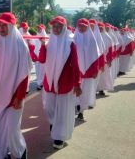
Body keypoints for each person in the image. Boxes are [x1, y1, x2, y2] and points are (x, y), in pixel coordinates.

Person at [0, 12, 31, 159]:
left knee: (11, 130)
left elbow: (24, 73)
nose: (1, 28)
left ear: (12, 26)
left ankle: (20, 152)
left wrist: (19, 96)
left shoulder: (20, 45)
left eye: (4, 25)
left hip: (14, 96)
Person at [31, 16, 81, 149]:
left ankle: (60, 137)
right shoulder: (49, 43)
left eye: (59, 26)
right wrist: (42, 47)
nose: (56, 29)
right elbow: (42, 60)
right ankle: (54, 124)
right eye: (54, 26)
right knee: (49, 108)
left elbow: (75, 65)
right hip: (50, 82)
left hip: (65, 83)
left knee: (63, 111)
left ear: (64, 28)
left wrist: (77, 83)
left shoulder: (71, 43)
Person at [73, 19, 101, 120]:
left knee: (85, 91)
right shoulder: (74, 38)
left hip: (89, 71)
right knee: (75, 90)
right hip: (77, 71)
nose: (82, 28)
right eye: (80, 26)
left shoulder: (92, 40)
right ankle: (76, 106)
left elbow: (95, 56)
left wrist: (95, 70)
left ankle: (82, 110)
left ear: (87, 27)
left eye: (84, 26)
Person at [96, 22, 114, 96]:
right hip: (96, 60)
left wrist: (109, 60)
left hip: (105, 60)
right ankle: (94, 90)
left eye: (101, 28)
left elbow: (110, 50)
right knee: (96, 76)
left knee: (103, 76)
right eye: (98, 28)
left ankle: (101, 89)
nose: (100, 29)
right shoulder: (95, 36)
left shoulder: (107, 37)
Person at [33, 24, 48, 91]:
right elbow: (33, 47)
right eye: (38, 28)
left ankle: (41, 83)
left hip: (43, 59)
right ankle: (39, 83)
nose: (39, 29)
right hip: (37, 58)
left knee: (42, 71)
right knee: (38, 71)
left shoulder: (46, 38)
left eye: (40, 28)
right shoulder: (35, 37)